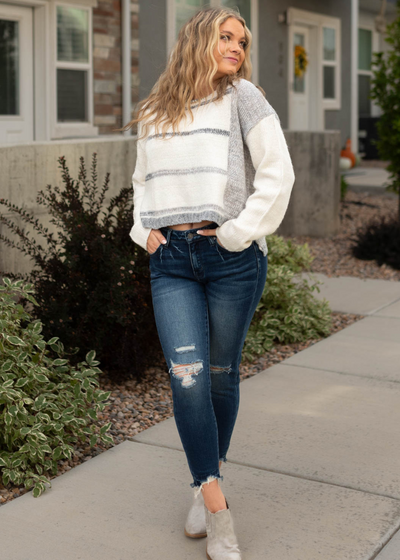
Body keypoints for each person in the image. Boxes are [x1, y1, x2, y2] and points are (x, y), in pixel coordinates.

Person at [121, 7, 295, 559]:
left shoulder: (244, 98)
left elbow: (278, 174)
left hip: (230, 259)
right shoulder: (154, 109)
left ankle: (202, 479)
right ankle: (217, 506)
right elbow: (141, 182)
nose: (237, 48)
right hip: (170, 259)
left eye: (242, 41)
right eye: (226, 37)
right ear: (199, 39)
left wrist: (239, 233)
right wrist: (138, 230)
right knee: (188, 377)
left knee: (220, 375)